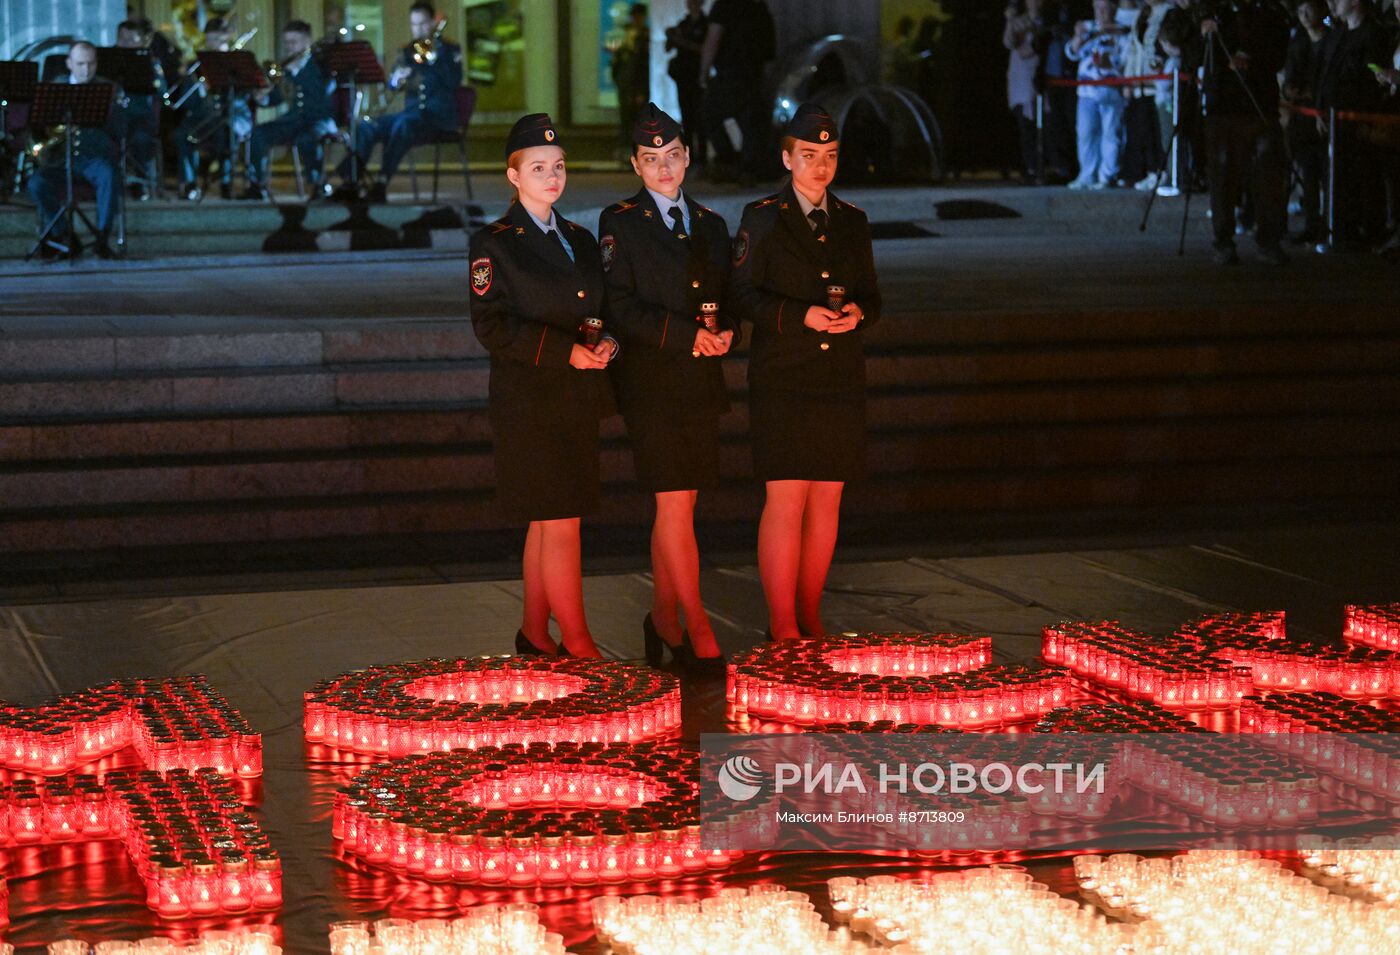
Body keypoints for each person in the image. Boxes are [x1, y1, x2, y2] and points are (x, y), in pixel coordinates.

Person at [469, 114, 619, 659]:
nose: (551, 177)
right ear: (513, 175)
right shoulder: (496, 242)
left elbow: (600, 312)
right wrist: (564, 351)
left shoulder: (578, 238)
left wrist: (607, 345)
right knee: (560, 520)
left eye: (557, 167)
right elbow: (491, 325)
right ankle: (578, 642)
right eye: (538, 168)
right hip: (529, 400)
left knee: (550, 516)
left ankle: (536, 631)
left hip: (575, 396)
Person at [732, 103, 882, 641]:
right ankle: (780, 620)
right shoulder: (764, 216)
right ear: (787, 158)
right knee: (787, 495)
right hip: (784, 373)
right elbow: (743, 292)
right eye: (810, 156)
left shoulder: (853, 220)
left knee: (828, 497)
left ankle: (810, 610)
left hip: (839, 374)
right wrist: (798, 315)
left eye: (831, 156)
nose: (821, 167)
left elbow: (872, 294)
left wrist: (860, 312)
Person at [598, 103, 735, 674]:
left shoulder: (710, 224)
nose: (663, 168)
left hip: (700, 381)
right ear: (635, 163)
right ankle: (697, 625)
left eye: (672, 156)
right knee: (675, 501)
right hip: (651, 382)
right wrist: (687, 337)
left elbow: (726, 294)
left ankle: (663, 618)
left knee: (678, 505)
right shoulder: (621, 221)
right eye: (651, 159)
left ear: (686, 158)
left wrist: (725, 330)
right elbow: (621, 306)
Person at [333, 2, 462, 202]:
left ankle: (381, 183)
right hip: (411, 115)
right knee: (367, 127)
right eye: (414, 24)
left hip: (438, 118)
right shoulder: (407, 51)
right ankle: (351, 181)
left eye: (422, 24)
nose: (418, 29)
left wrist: (436, 57)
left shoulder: (450, 49)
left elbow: (454, 81)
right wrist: (396, 79)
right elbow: (392, 86)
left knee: (402, 125)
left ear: (432, 23)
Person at [1198, 0, 1292, 266]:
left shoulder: (1272, 15)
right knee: (1223, 176)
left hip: (1260, 104)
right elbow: (1192, 53)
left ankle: (1268, 239)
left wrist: (1251, 58)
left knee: (1268, 175)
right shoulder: (1214, 13)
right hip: (1222, 107)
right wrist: (1208, 33)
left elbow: (1279, 53)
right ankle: (1223, 240)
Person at [27, 41, 123, 259]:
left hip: (93, 159)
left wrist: (114, 109)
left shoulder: (107, 89)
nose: (86, 70)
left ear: (96, 64)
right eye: (80, 64)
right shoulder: (54, 87)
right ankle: (65, 235)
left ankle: (102, 237)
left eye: (90, 64)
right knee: (36, 183)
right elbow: (37, 125)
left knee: (108, 175)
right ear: (69, 64)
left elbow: (119, 131)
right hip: (59, 161)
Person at [1315, 0, 1392, 247]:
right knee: (1336, 173)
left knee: (1362, 174)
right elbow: (1325, 72)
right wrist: (1321, 108)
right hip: (1334, 117)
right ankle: (1339, 227)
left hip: (1358, 117)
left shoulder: (1373, 34)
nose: (1334, 3)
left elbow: (1372, 76)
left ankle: (1366, 230)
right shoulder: (1337, 35)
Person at [243, 20, 334, 199]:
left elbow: (322, 93)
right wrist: (263, 97)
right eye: (286, 43)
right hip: (292, 120)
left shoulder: (322, 64)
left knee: (308, 139)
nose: (289, 48)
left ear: (307, 41)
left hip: (319, 119)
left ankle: (318, 185)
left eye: (294, 42)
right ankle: (257, 185)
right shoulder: (287, 69)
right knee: (258, 134)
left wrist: (297, 73)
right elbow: (277, 98)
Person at [174, 18, 253, 201]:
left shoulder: (240, 61)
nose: (212, 44)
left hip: (234, 114)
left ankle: (226, 183)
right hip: (203, 115)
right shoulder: (197, 64)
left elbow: (247, 95)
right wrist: (193, 82)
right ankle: (190, 183)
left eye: (217, 39)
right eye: (209, 39)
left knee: (225, 133)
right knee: (182, 134)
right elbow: (188, 103)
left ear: (228, 38)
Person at [700, 0, 775, 184]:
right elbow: (769, 43)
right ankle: (749, 166)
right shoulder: (758, 6)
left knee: (708, 114)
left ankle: (729, 161)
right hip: (754, 71)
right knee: (749, 120)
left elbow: (713, 39)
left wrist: (703, 72)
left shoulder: (724, 6)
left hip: (730, 71)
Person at [1066, 0, 1131, 189]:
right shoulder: (1087, 28)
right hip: (1086, 91)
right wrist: (1078, 37)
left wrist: (1109, 65)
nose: (1101, 12)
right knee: (1086, 134)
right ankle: (1087, 175)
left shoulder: (1122, 31)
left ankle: (1107, 175)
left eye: (1105, 8)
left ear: (1113, 9)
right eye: (1097, 8)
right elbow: (1071, 53)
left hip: (1110, 90)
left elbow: (1126, 59)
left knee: (1111, 134)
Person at [1284, 0, 1329, 243]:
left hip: (1322, 115)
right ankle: (1312, 222)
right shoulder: (1299, 42)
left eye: (1308, 9)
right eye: (1299, 11)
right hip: (1302, 118)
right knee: (1308, 174)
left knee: (1326, 173)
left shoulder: (1331, 41)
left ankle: (1330, 223)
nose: (1304, 15)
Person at [115, 18, 163, 200]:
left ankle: (141, 183)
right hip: (115, 116)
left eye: (131, 39)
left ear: (142, 41)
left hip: (141, 116)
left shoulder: (151, 61)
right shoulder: (109, 59)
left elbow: (163, 90)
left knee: (141, 139)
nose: (125, 43)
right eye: (122, 38)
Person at [1005, 1, 1049, 181]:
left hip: (1040, 76)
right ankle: (1030, 168)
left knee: (1044, 125)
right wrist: (1010, 20)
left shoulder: (1048, 22)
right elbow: (1009, 42)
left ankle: (1045, 167)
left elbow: (1031, 50)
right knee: (1025, 127)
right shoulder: (1018, 21)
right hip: (1021, 79)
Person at [665, 0, 709, 165]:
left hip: (697, 76)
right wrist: (671, 36)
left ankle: (702, 158)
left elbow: (703, 48)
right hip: (683, 76)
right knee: (687, 118)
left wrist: (679, 40)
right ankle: (691, 157)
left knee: (701, 118)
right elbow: (668, 47)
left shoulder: (706, 24)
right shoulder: (683, 24)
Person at [611, 4, 651, 160]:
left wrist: (642, 89)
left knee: (637, 119)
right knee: (626, 118)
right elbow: (619, 60)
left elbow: (644, 66)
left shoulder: (644, 36)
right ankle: (627, 150)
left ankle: (636, 152)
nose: (636, 20)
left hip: (637, 84)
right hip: (626, 83)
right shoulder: (626, 35)